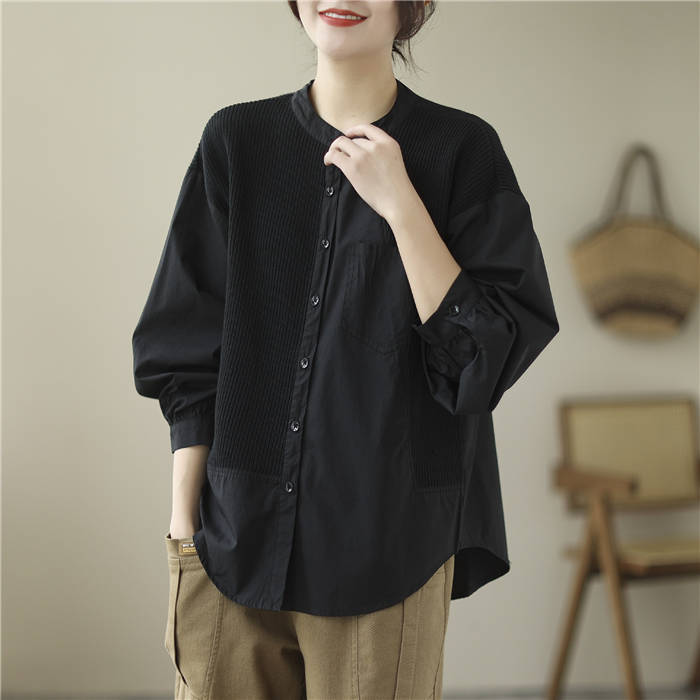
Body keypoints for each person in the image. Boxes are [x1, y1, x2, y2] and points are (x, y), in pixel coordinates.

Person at [131, 1, 560, 698]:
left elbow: (483, 360)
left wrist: (402, 206)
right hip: (229, 540)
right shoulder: (236, 141)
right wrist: (184, 529)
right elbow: (185, 346)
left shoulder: (462, 150)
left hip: (387, 552)